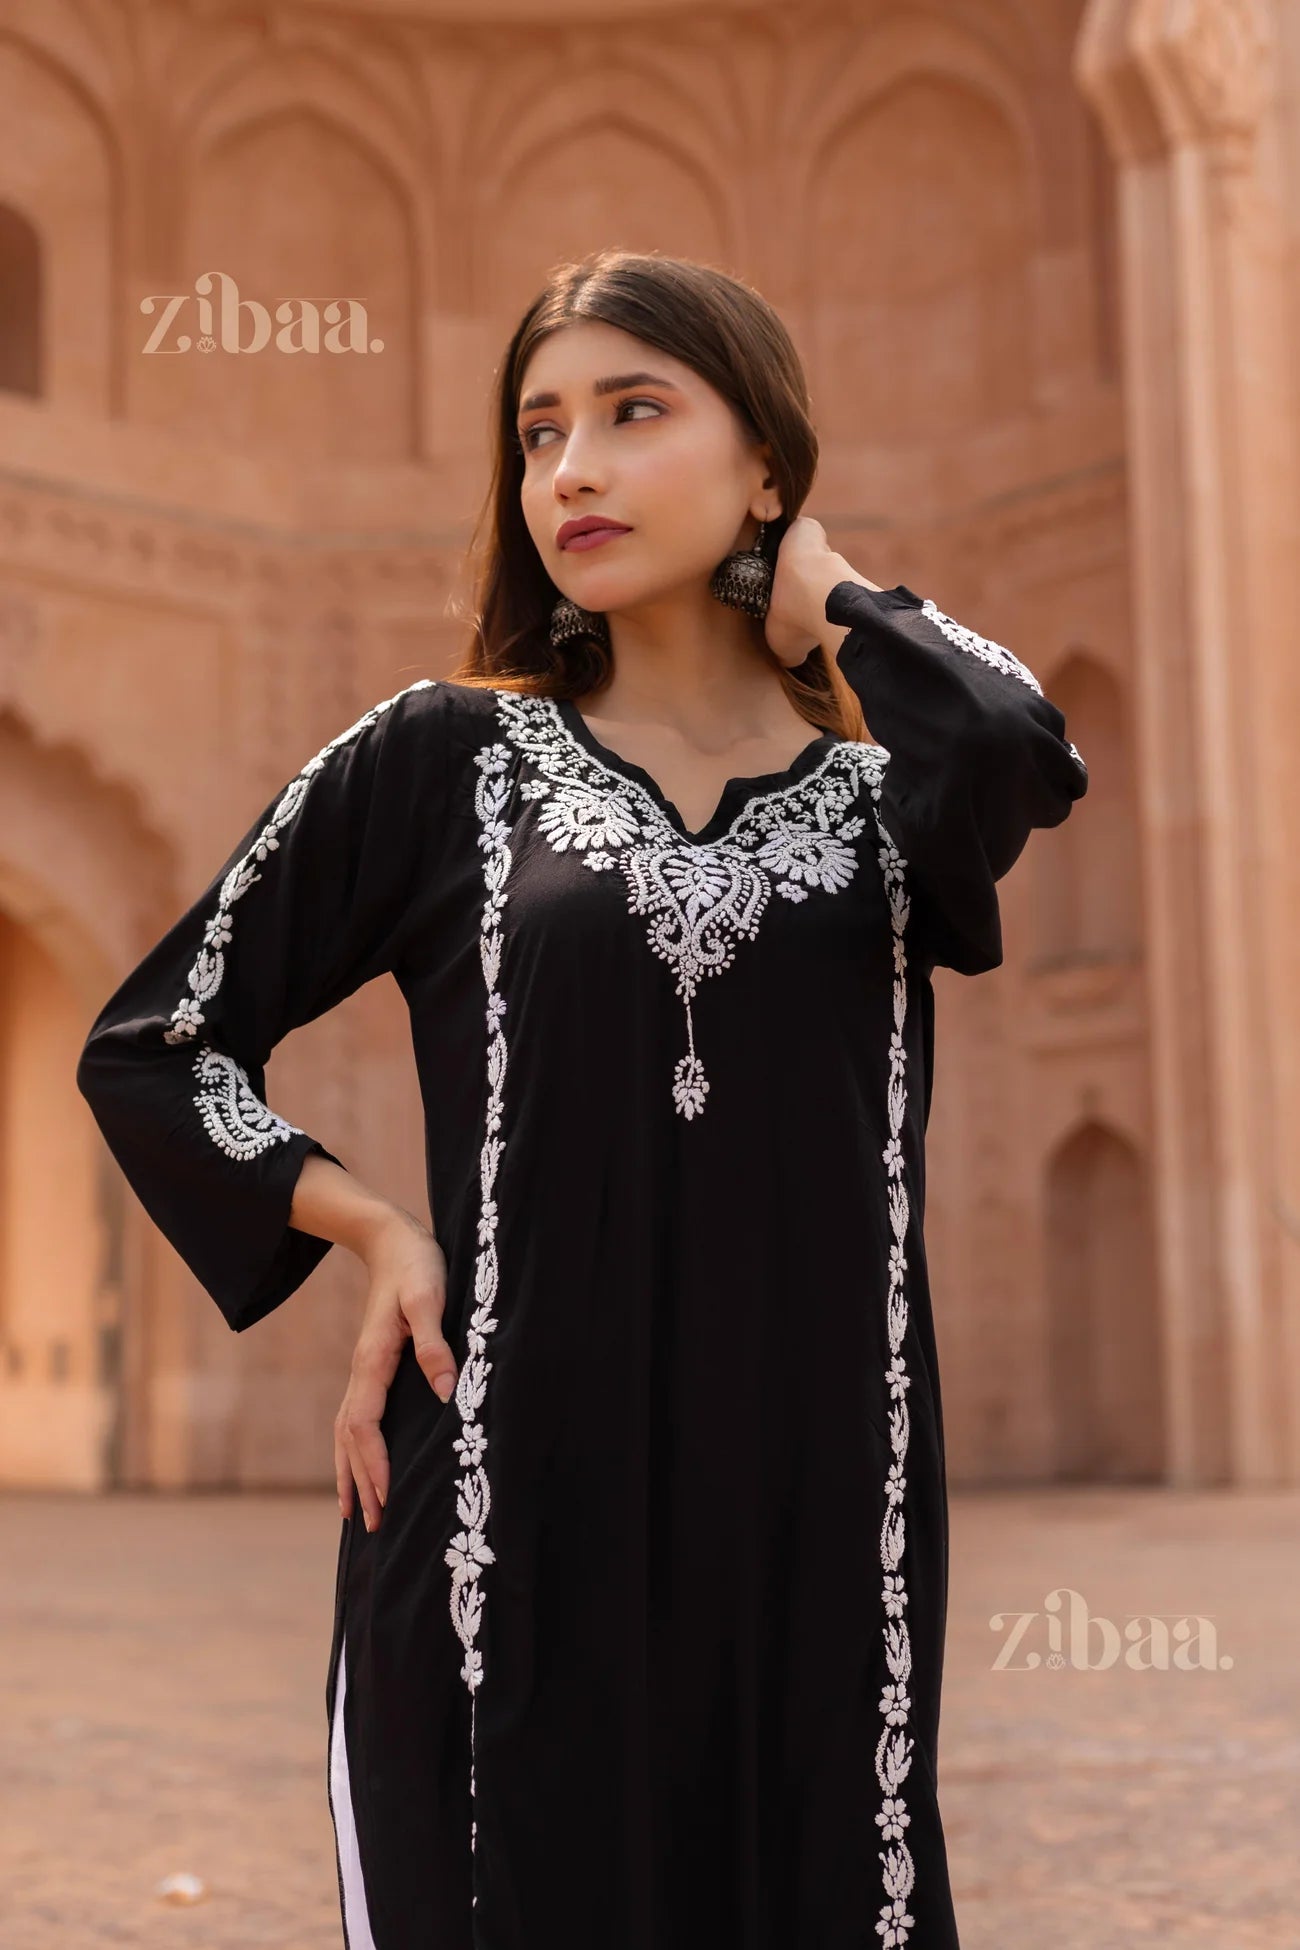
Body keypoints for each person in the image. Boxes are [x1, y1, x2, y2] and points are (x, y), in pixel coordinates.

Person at [75, 247, 1088, 1950]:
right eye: (538, 432)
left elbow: (1020, 737)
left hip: (814, 1556)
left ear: (765, 458)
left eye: (634, 414)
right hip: (500, 1550)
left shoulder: (887, 804)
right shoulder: (441, 759)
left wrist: (828, 597)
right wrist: (373, 1221)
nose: (573, 472)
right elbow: (153, 1043)